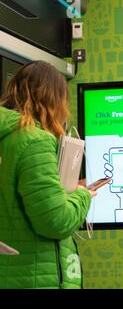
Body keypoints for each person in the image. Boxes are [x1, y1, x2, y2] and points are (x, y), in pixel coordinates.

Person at [0, 61, 95, 289]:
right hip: (33, 276)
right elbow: (56, 221)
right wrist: (82, 195)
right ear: (54, 100)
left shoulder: (6, 137)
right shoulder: (34, 141)